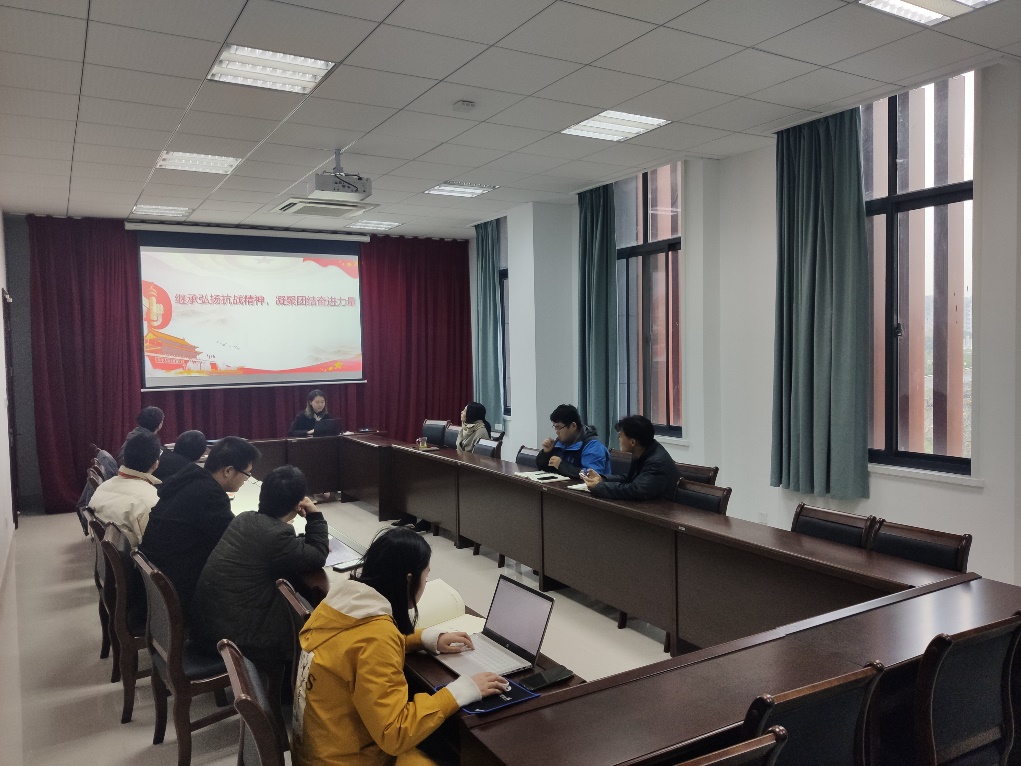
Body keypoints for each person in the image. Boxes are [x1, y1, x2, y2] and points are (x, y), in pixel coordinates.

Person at [291, 528, 509, 766]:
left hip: (317, 751)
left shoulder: (336, 606)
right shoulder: (377, 636)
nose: (425, 583)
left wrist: (422, 639)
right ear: (409, 579)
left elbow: (351, 650)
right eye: (425, 575)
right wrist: (459, 692)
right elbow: (394, 734)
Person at [191, 465, 328, 665]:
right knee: (316, 622)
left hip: (208, 626)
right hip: (234, 640)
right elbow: (317, 556)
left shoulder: (244, 518)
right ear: (298, 503)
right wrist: (315, 516)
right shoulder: (276, 535)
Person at [139, 436, 260, 615]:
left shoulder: (190, 480)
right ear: (228, 471)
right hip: (176, 592)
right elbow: (236, 542)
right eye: (247, 474)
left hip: (155, 582)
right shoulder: (210, 494)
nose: (246, 480)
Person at [89, 430, 162, 548]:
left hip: (117, 553)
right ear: (156, 464)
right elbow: (155, 545)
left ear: (124, 458)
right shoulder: (150, 501)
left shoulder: (102, 487)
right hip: (135, 557)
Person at [582, 415, 680, 501]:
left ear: (632, 442)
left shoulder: (657, 462)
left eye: (620, 436)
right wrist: (602, 479)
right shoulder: (642, 451)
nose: (619, 440)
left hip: (663, 510)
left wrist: (599, 487)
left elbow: (636, 490)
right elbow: (629, 479)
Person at [536, 404, 611, 478]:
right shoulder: (560, 442)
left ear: (573, 426)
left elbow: (591, 476)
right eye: (555, 427)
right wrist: (546, 453)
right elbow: (544, 467)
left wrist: (561, 466)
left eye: (558, 427)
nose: (556, 432)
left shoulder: (593, 446)